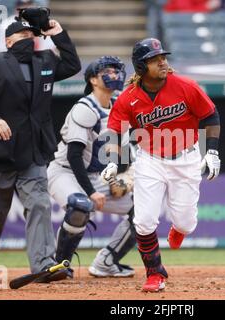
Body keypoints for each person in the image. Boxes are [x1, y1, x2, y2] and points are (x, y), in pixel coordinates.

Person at [101, 38, 221, 292]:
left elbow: (210, 115)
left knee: (187, 222)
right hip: (150, 160)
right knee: (143, 221)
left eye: (163, 57)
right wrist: (112, 161)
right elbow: (114, 130)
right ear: (141, 67)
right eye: (155, 60)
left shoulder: (185, 85)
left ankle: (179, 229)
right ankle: (155, 274)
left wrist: (211, 151)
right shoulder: (129, 98)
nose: (163, 62)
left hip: (187, 157)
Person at [0, 18, 81, 282]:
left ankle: (43, 264)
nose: (29, 37)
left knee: (40, 205)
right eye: (22, 34)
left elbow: (73, 64)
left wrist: (58, 34)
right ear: (8, 41)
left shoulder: (46, 61)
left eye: (32, 33)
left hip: (32, 151)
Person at [47, 56, 137, 279]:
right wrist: (91, 192)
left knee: (145, 210)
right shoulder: (85, 108)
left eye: (117, 71)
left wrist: (124, 176)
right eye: (108, 71)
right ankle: (60, 265)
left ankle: (106, 262)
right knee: (80, 206)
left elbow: (123, 151)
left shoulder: (119, 105)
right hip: (66, 172)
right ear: (93, 80)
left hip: (99, 174)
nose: (115, 75)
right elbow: (74, 155)